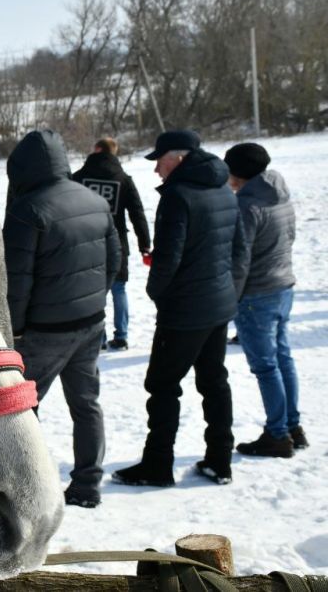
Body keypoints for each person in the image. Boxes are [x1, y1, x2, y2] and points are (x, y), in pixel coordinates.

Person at [114, 130, 243, 488]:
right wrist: (230, 292)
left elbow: (167, 260)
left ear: (180, 158)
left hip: (186, 311)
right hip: (217, 305)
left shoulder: (178, 196)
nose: (156, 169)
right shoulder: (224, 188)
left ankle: (157, 465)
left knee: (162, 386)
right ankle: (220, 460)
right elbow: (239, 250)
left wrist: (159, 294)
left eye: (160, 160)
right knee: (214, 382)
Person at [3, 129, 121, 509]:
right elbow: (114, 261)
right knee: (86, 404)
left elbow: (16, 281)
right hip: (90, 323)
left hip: (43, 332)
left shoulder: (28, 209)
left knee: (20, 412)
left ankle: (26, 490)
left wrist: (13, 329)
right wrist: (95, 301)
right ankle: (88, 482)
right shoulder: (93, 198)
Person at [224, 143, 308, 457]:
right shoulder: (279, 193)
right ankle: (291, 425)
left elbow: (239, 260)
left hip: (256, 294)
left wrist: (230, 299)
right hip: (283, 285)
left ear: (239, 173)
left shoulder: (246, 206)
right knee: (282, 358)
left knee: (265, 366)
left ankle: (278, 434)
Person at [72, 137, 152, 351]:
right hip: (117, 244)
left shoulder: (78, 178)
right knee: (119, 289)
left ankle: (99, 339)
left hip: (88, 243)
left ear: (97, 149)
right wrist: (145, 243)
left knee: (94, 293)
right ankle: (122, 335)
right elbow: (137, 213)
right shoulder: (123, 179)